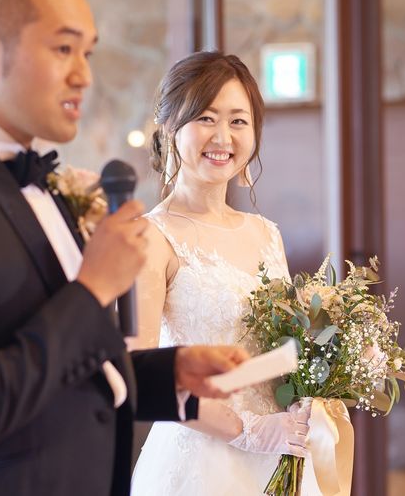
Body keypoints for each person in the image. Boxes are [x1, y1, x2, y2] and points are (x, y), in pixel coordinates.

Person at [0, 0, 249, 496]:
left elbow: (65, 368)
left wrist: (170, 373)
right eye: (63, 49)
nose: (84, 76)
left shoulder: (42, 186)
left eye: (87, 53)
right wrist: (92, 288)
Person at [130, 51, 320, 495]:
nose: (223, 137)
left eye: (238, 121)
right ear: (170, 127)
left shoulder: (266, 232)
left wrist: (318, 381)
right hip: (199, 462)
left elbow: (283, 348)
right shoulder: (151, 237)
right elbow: (138, 374)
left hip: (280, 453)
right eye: (206, 118)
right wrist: (247, 431)